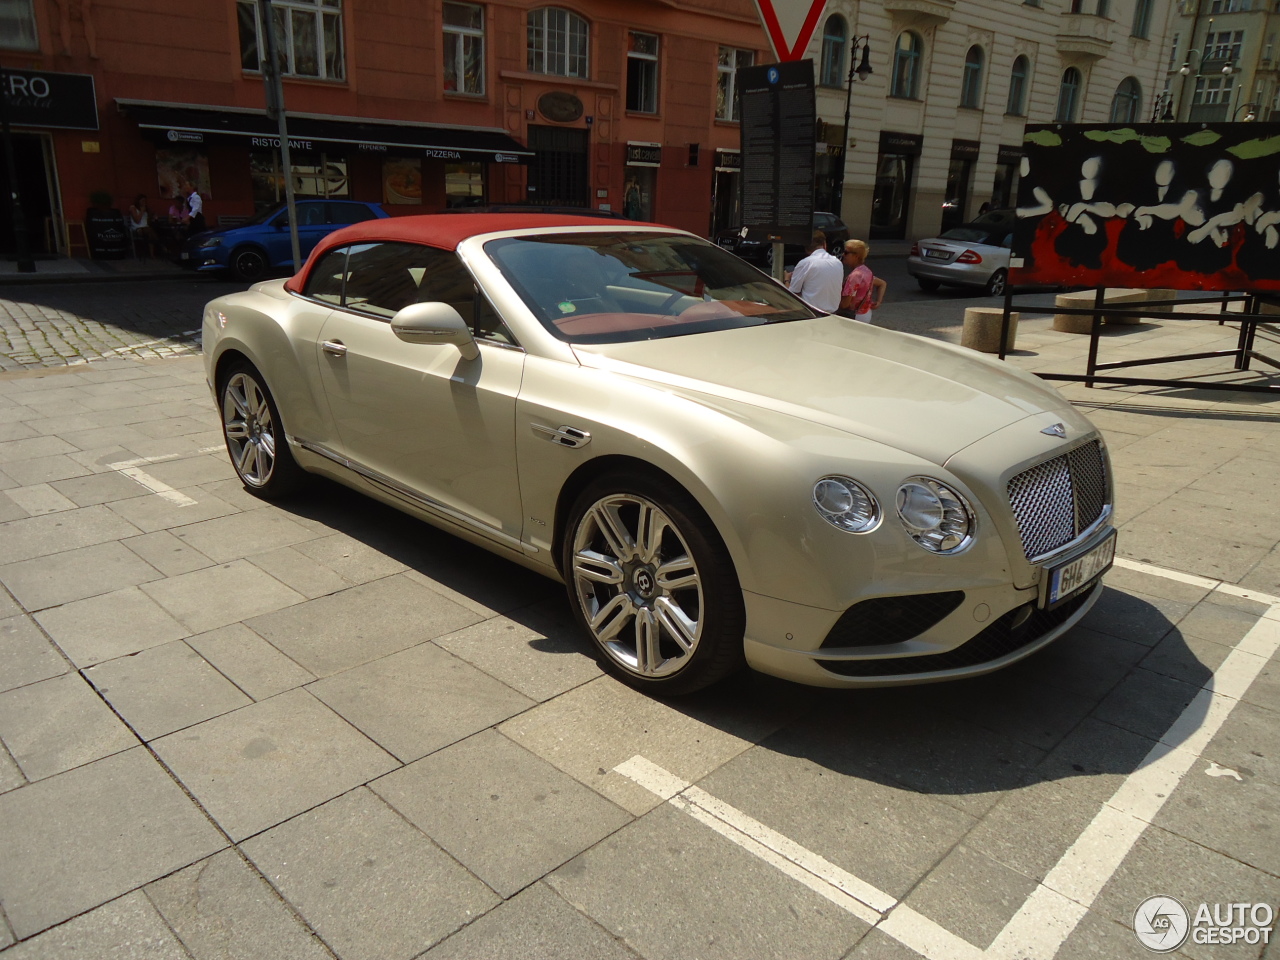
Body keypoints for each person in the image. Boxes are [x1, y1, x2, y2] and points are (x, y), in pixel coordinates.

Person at [785, 230, 843, 314]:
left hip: (811, 314)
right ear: (824, 244)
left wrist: (786, 279)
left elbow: (793, 295)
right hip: (833, 313)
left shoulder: (805, 263)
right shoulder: (838, 263)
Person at [839, 239, 886, 323]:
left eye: (846, 252)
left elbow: (845, 304)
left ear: (856, 256)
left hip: (854, 316)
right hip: (865, 313)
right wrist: (878, 301)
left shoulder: (855, 276)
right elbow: (882, 284)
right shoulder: (866, 271)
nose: (843, 255)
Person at [127, 194, 158, 258]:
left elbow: (147, 221)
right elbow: (137, 221)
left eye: (145, 201)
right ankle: (162, 246)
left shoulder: (146, 209)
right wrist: (141, 211)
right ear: (138, 201)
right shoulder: (133, 208)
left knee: (151, 234)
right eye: (142, 201)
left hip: (146, 228)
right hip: (137, 228)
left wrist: (152, 216)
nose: (144, 202)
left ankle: (152, 254)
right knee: (151, 232)